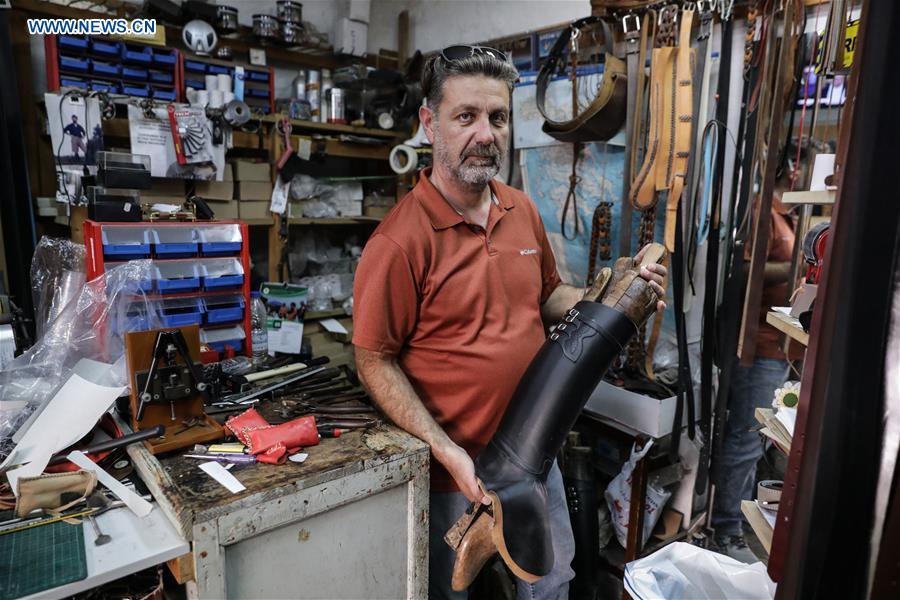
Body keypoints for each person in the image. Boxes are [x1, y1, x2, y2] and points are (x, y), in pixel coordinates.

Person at [351, 45, 666, 599]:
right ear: (430, 124)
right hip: (455, 472)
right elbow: (374, 358)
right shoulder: (399, 242)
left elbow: (545, 295)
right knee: (452, 594)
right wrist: (445, 451)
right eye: (466, 116)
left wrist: (613, 307)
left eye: (497, 118)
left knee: (551, 585)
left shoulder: (520, 209)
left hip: (532, 455)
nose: (485, 133)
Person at [712, 191, 802, 563]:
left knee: (765, 438)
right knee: (747, 439)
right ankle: (726, 527)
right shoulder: (761, 208)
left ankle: (739, 517)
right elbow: (745, 271)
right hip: (761, 345)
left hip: (788, 347)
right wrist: (799, 266)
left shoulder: (791, 215)